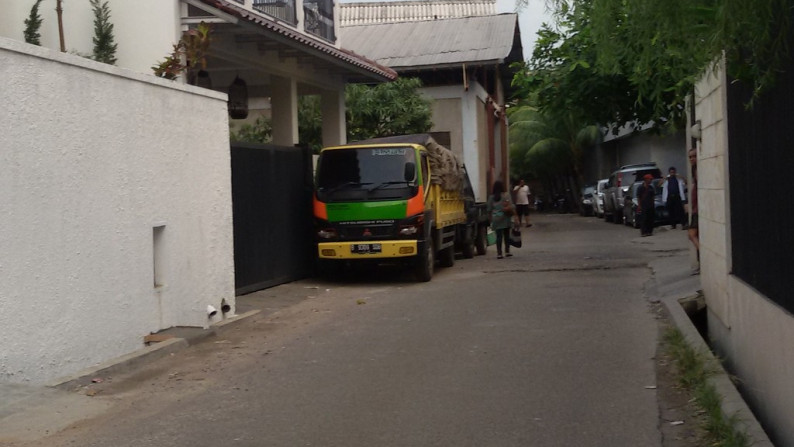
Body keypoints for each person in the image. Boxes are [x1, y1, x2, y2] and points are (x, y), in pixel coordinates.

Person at [487, 180, 514, 259]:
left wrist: (490, 220)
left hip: (496, 218)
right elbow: (511, 206)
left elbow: (489, 209)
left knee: (499, 236)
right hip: (505, 218)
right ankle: (507, 251)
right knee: (506, 235)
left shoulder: (491, 197)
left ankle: (499, 253)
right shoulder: (506, 195)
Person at [687, 148, 700, 274]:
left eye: (694, 156)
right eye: (690, 157)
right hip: (696, 208)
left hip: (698, 209)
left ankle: (703, 254)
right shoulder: (694, 169)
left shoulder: (698, 169)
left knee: (691, 234)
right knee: (695, 235)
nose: (692, 159)